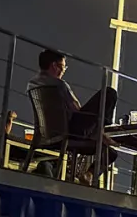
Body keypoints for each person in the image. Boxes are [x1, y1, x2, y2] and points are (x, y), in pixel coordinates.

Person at [26, 49, 118, 181]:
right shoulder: (59, 84)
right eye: (63, 67)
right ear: (54, 66)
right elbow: (76, 109)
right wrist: (95, 126)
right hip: (71, 132)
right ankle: (101, 132)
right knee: (109, 93)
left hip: (47, 134)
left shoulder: (32, 84)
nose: (63, 71)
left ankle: (89, 175)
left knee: (109, 151)